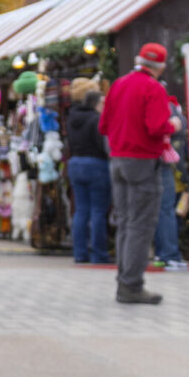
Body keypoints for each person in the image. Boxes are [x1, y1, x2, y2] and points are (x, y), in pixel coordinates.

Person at [99, 43, 179, 304]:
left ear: (138, 60)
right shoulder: (154, 88)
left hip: (118, 159)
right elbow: (157, 127)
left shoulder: (119, 84)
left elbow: (104, 126)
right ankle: (131, 285)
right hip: (143, 161)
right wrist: (175, 123)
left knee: (124, 222)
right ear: (162, 67)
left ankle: (124, 281)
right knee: (140, 225)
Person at [65, 77, 111, 265]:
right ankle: (99, 254)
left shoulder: (71, 117)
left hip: (75, 163)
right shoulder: (96, 119)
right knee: (98, 211)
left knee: (81, 210)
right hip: (95, 164)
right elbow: (102, 145)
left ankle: (80, 253)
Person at [154, 96, 189, 271]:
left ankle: (160, 254)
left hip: (134, 164)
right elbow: (178, 126)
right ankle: (170, 255)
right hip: (163, 164)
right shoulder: (164, 105)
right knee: (166, 210)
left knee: (151, 211)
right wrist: (177, 122)